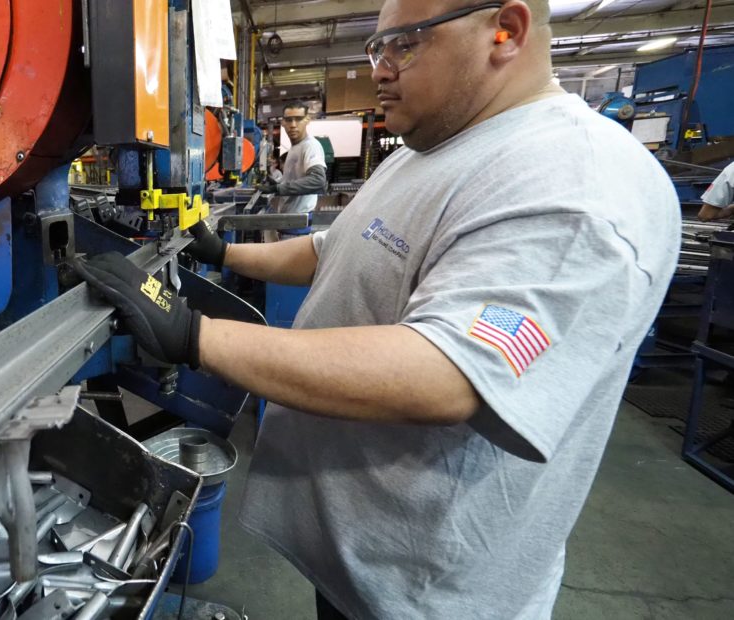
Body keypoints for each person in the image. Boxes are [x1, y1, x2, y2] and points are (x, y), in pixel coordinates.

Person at [72, 1, 680, 618]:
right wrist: (223, 250)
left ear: (508, 31)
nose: (380, 70)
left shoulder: (574, 180)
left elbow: (448, 372)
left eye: (404, 44)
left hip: (425, 589)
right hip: (361, 562)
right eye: (376, 50)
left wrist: (195, 336)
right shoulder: (431, 148)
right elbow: (331, 248)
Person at [258, 102, 327, 214]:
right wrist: (275, 183)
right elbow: (293, 180)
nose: (293, 125)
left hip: (299, 219)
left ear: (307, 120)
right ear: (283, 122)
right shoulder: (295, 147)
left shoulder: (310, 146)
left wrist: (277, 189)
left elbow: (318, 180)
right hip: (290, 217)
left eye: (298, 119)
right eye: (289, 120)